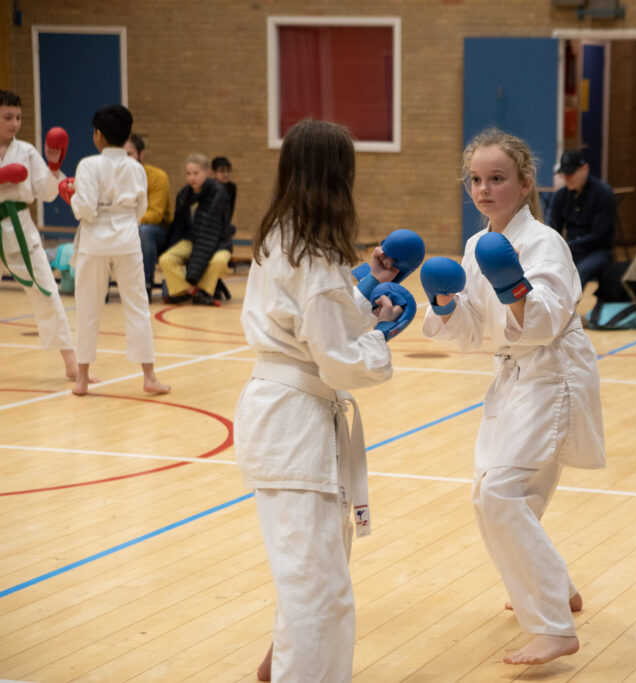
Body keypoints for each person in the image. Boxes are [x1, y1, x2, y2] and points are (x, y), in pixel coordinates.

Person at [234, 118, 413, 681]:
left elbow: (312, 325)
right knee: (320, 590)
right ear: (338, 176)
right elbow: (336, 358)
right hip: (294, 425)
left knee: (313, 573)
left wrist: (361, 296)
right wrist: (379, 341)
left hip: (289, 417)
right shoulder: (310, 254)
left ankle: (281, 667)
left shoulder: (283, 236)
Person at [420, 128, 605, 666]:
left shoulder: (546, 243)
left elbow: (544, 321)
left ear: (524, 185)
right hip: (513, 374)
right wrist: (445, 304)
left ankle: (554, 624)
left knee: (502, 494)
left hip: (553, 374)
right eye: (476, 180)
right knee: (493, 493)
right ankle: (557, 588)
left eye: (497, 179)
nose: (484, 189)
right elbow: (475, 331)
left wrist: (516, 290)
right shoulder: (480, 245)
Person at [65, 105, 170, 397]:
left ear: (98, 135)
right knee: (137, 306)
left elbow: (84, 208)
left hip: (95, 240)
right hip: (126, 238)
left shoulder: (88, 165)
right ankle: (149, 377)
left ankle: (82, 379)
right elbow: (141, 209)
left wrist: (74, 202)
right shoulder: (136, 168)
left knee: (88, 306)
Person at [0, 89, 86, 381]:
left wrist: (54, 165)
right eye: (7, 117)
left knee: (48, 292)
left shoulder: (25, 151)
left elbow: (48, 194)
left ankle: (71, 363)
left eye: (18, 118)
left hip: (21, 226)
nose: (14, 123)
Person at [158, 153, 233, 305]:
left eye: (196, 173)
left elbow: (208, 233)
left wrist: (193, 273)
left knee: (219, 260)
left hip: (218, 241)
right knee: (166, 259)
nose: (192, 178)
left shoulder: (218, 193)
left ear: (208, 173)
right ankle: (191, 292)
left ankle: (205, 292)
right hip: (192, 240)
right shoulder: (184, 195)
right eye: (188, 174)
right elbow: (179, 226)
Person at [547, 148, 618, 287]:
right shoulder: (561, 195)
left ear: (585, 168)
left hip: (597, 251)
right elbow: (553, 228)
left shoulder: (603, 193)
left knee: (578, 273)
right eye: (564, 174)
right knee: (549, 269)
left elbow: (600, 235)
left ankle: (569, 308)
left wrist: (570, 245)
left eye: (571, 173)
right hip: (571, 249)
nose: (567, 178)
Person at [125, 133, 173, 294]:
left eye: (130, 154)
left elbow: (155, 215)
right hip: (125, 227)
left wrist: (125, 219)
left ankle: (145, 283)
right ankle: (98, 287)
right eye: (122, 154)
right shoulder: (115, 178)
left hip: (158, 232)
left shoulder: (158, 177)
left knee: (144, 231)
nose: (126, 159)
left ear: (141, 154)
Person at [211, 155, 237, 222]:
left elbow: (231, 209)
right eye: (222, 171)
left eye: (228, 171)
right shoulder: (209, 187)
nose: (226, 174)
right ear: (214, 173)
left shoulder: (231, 188)